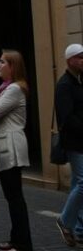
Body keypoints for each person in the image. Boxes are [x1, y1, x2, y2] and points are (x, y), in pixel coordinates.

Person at [0, 50, 33, 251]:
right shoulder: (5, 89)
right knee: (12, 197)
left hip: (11, 148)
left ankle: (23, 243)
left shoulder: (14, 89)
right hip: (5, 148)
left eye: (2, 62)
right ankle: (16, 239)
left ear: (12, 67)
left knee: (15, 198)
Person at [56, 43, 83, 246]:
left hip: (80, 140)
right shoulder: (65, 84)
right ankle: (65, 220)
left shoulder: (77, 82)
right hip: (75, 142)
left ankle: (78, 229)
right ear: (70, 60)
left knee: (77, 183)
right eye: (80, 57)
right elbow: (67, 117)